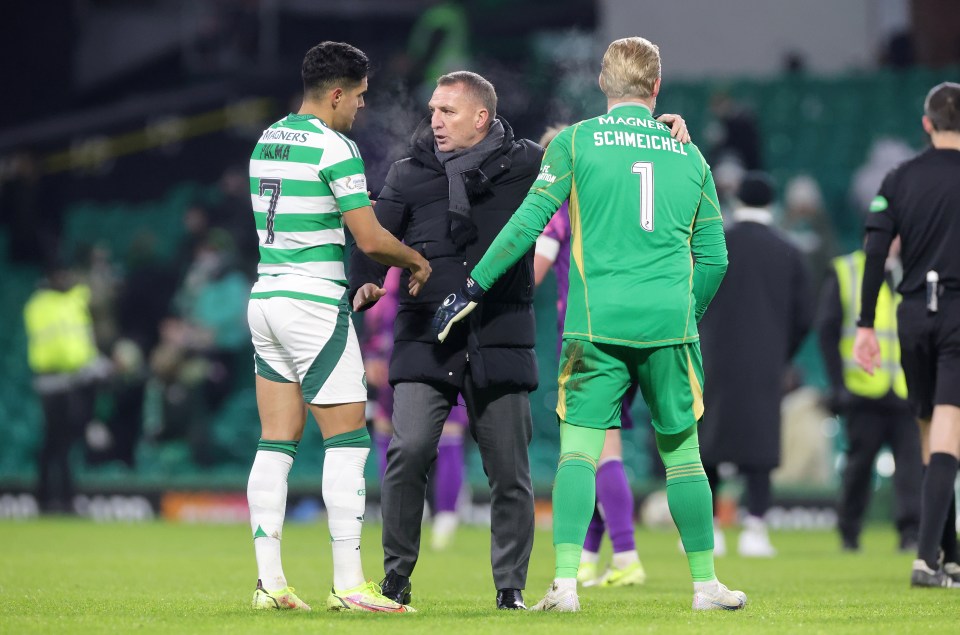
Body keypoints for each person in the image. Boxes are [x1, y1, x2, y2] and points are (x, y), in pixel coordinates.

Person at [350, 70, 689, 610]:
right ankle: (395, 582)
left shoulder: (528, 163)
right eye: (433, 110)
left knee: (510, 471)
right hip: (424, 333)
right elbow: (376, 238)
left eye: (448, 111)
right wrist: (365, 278)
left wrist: (656, 127)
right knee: (408, 450)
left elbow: (593, 147)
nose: (434, 120)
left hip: (500, 335)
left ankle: (510, 590)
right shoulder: (408, 172)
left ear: (481, 118)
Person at [434, 37, 745, 612]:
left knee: (579, 452)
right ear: (655, 88)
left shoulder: (576, 142)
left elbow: (529, 223)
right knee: (683, 456)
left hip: (597, 324)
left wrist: (473, 287)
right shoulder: (690, 155)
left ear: (603, 85)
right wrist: (687, 312)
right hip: (669, 328)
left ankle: (566, 585)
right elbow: (717, 258)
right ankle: (705, 585)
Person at [245, 41, 430, 613]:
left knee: (275, 444)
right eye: (359, 98)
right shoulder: (335, 146)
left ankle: (270, 584)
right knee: (347, 443)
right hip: (313, 304)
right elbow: (370, 239)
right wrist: (416, 262)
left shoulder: (267, 140)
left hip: (266, 297)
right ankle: (350, 585)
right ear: (336, 94)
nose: (362, 109)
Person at [533, 124, 653, 588]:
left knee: (596, 452)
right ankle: (589, 555)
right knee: (605, 444)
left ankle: (625, 555)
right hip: (635, 329)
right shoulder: (614, 204)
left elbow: (536, 272)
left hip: (587, 336)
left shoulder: (560, 210)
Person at [854, 81, 960, 588]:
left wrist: (865, 326)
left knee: (931, 434)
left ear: (927, 123)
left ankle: (949, 555)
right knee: (947, 433)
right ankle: (925, 559)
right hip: (959, 313)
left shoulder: (898, 178)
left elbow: (875, 253)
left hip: (912, 316)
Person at [697, 172, 813, 558]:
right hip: (766, 362)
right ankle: (756, 529)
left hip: (712, 357)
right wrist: (782, 353)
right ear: (772, 203)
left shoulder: (714, 242)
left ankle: (708, 529)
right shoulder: (788, 250)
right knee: (760, 446)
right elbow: (805, 316)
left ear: (736, 200)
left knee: (708, 441)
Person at [817, 237, 921, 552]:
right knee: (858, 468)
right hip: (863, 389)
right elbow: (827, 329)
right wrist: (838, 386)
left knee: (912, 468)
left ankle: (911, 534)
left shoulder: (912, 271)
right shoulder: (848, 270)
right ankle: (849, 533)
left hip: (905, 389)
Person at [361, 267, 469, 551]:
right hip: (395, 346)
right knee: (389, 428)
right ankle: (404, 511)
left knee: (449, 428)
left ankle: (445, 516)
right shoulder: (391, 253)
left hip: (441, 341)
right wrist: (373, 352)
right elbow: (376, 304)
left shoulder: (445, 245)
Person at [24, 263, 109, 513]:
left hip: (74, 379)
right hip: (53, 380)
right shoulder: (43, 305)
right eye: (60, 275)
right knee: (56, 441)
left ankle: (61, 497)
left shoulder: (73, 302)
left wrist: (92, 365)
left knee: (63, 441)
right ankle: (50, 497)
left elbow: (80, 340)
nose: (65, 279)